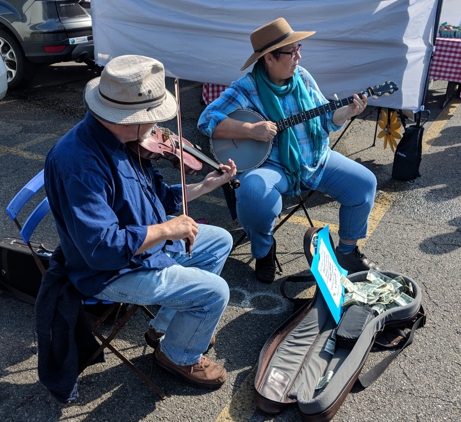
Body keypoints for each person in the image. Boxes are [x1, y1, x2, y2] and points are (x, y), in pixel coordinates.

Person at [44, 55, 237, 390]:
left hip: (144, 248)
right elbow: (101, 249)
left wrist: (205, 185)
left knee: (220, 240)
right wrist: (167, 229)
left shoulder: (125, 141)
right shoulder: (78, 163)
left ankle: (165, 328)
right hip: (110, 271)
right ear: (129, 117)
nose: (157, 129)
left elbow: (156, 196)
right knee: (215, 293)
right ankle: (178, 356)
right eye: (152, 119)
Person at [198, 17, 380, 284]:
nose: (298, 56)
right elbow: (207, 120)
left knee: (364, 183)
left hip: (316, 160)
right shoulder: (245, 88)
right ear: (269, 58)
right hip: (274, 167)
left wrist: (348, 112)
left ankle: (347, 252)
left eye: (299, 49)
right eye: (291, 51)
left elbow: (325, 119)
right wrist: (250, 130)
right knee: (253, 191)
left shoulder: (303, 77)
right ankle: (264, 249)